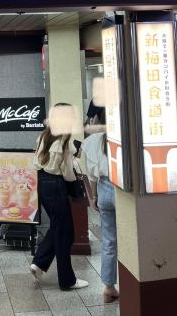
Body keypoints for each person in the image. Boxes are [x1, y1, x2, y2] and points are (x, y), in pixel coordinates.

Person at [30, 103, 88, 290]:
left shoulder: (44, 135)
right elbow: (68, 171)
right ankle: (67, 280)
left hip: (42, 183)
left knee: (58, 227)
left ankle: (39, 263)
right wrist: (74, 184)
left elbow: (37, 162)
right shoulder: (65, 138)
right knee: (65, 234)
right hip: (56, 185)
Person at [81, 122, 119, 303]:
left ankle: (108, 288)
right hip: (122, 189)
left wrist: (94, 196)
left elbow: (92, 175)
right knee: (131, 240)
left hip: (103, 189)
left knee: (109, 241)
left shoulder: (92, 141)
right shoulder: (122, 137)